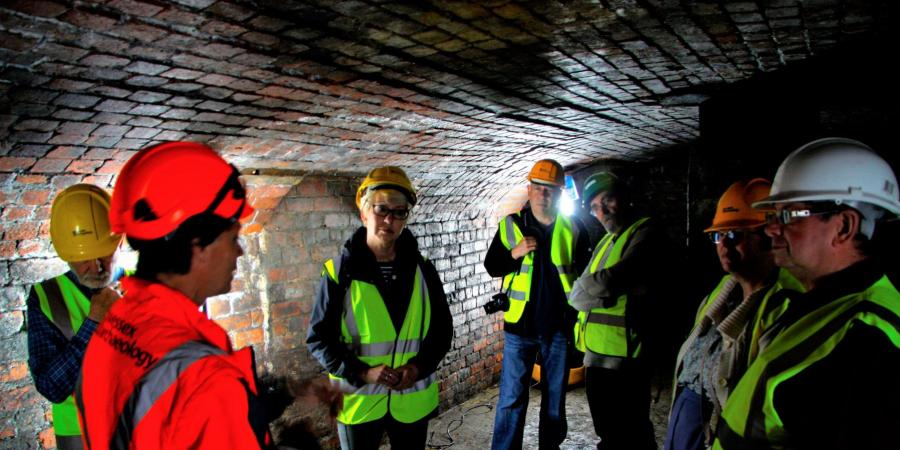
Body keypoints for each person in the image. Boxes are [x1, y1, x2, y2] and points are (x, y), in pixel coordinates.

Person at [75, 142, 276, 449]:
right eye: (233, 237)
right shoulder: (206, 379)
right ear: (199, 246)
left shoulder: (116, 323)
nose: (239, 251)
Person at [713, 138, 900, 450]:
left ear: (843, 226)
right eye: (774, 215)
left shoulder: (868, 340)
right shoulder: (823, 307)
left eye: (790, 215)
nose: (771, 228)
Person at [306, 166, 452, 450]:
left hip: (410, 401)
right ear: (363, 212)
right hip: (358, 404)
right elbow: (319, 339)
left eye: (399, 212)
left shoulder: (424, 271)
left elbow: (442, 332)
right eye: (381, 208)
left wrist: (418, 368)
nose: (389, 219)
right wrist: (363, 372)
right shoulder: (339, 273)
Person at [664, 179, 802, 450]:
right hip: (686, 417)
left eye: (736, 234)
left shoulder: (782, 306)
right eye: (718, 235)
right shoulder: (720, 293)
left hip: (719, 430)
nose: (724, 245)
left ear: (768, 237)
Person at [484, 159, 591, 450]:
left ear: (559, 194)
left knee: (554, 399)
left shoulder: (574, 228)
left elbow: (583, 278)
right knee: (511, 399)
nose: (544, 194)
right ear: (529, 190)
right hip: (520, 327)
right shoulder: (512, 226)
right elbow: (492, 266)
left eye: (551, 189)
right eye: (539, 188)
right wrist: (515, 253)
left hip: (558, 328)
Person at [568, 171, 666, 450]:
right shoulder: (606, 241)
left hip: (626, 357)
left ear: (624, 199)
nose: (602, 210)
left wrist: (597, 286)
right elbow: (577, 295)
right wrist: (605, 291)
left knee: (633, 433)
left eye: (607, 200)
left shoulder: (646, 231)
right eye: (595, 206)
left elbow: (615, 278)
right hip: (595, 356)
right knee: (608, 434)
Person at [26, 184, 124, 450]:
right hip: (82, 439)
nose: (96, 267)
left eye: (103, 253)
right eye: (83, 258)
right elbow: (51, 387)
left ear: (119, 241)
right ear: (66, 253)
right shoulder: (47, 297)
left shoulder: (145, 285)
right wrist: (93, 324)